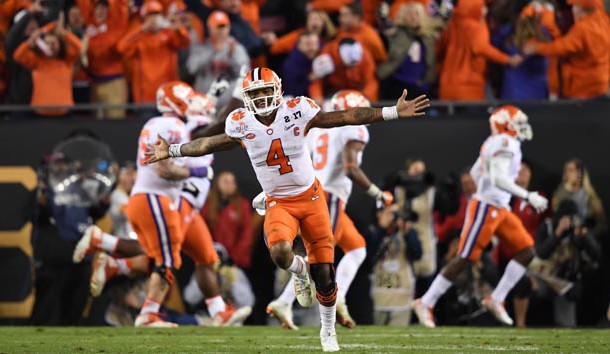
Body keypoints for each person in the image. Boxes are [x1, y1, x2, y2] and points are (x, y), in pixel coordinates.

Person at [144, 67, 430, 351]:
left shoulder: (298, 110)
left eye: (266, 91)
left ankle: (327, 331)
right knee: (280, 252)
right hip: (278, 201)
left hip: (313, 198)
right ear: (246, 97)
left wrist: (392, 111)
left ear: (277, 90)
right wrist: (172, 150)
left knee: (326, 277)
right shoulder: (241, 122)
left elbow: (345, 117)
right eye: (255, 93)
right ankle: (298, 270)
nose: (261, 98)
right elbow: (208, 143)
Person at [265, 90, 393, 330]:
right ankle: (284, 302)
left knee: (357, 248)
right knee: (320, 257)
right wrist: (378, 193)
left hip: (317, 192)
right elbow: (350, 168)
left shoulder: (320, 128)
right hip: (328, 197)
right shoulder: (353, 128)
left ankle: (340, 296)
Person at [412, 105, 548, 327]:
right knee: (465, 257)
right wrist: (526, 196)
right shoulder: (506, 142)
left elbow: (476, 173)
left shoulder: (494, 142)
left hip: (499, 207)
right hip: (487, 207)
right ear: (505, 124)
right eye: (517, 122)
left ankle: (496, 298)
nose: (521, 126)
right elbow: (497, 179)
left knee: (526, 251)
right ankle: (425, 302)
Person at [522, 0, 610, 99]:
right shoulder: (604, 19)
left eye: (574, 6)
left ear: (579, 9)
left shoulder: (583, 28)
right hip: (602, 82)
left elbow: (562, 47)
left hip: (583, 86)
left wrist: (537, 48)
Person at [436, 0, 523, 100]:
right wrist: (507, 59)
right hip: (469, 86)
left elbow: (439, 48)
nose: (484, 11)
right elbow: (481, 48)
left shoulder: (451, 25)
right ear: (474, 8)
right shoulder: (477, 26)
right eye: (482, 7)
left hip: (446, 86)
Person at [535, 199, 602, 326]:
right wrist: (557, 233)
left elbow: (597, 254)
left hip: (565, 279)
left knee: (567, 323)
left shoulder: (578, 229)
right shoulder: (548, 225)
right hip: (545, 276)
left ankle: (563, 327)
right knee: (531, 286)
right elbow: (541, 253)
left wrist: (584, 237)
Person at [116, 1, 190, 104]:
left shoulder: (169, 33)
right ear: (144, 18)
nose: (154, 19)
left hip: (167, 95)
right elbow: (121, 48)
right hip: (145, 96)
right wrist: (142, 29)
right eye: (150, 15)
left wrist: (175, 27)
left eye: (156, 14)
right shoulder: (139, 36)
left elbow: (185, 42)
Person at [13, 18, 83, 116]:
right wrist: (32, 39)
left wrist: (65, 34)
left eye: (53, 43)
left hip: (64, 115)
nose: (50, 46)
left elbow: (80, 47)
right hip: (39, 115)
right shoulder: (37, 62)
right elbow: (17, 56)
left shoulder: (67, 61)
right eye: (47, 43)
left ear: (59, 45)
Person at [77, 0, 129, 118]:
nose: (100, 11)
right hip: (94, 82)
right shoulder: (90, 24)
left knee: (115, 123)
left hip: (114, 82)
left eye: (104, 8)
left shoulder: (116, 24)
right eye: (97, 7)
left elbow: (120, 5)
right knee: (97, 125)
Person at [187, 10, 249, 108]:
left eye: (223, 26)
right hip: (205, 103)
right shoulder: (202, 47)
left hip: (229, 105)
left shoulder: (236, 48)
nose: (221, 30)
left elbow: (245, 76)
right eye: (217, 27)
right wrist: (213, 52)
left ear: (228, 27)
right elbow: (192, 69)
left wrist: (232, 56)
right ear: (210, 28)